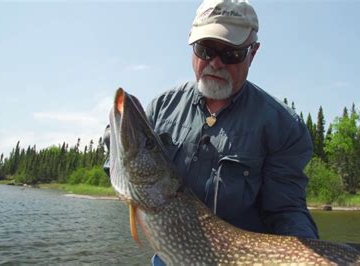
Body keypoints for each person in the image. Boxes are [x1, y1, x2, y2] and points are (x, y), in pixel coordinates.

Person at [106, 0, 318, 264]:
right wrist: (113, 141)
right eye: (205, 49)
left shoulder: (283, 126)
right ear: (192, 47)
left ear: (252, 54)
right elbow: (130, 173)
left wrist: (310, 257)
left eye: (231, 54)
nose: (216, 63)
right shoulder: (162, 107)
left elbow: (287, 210)